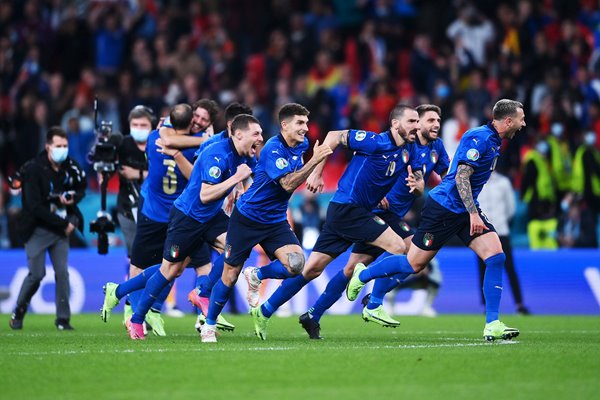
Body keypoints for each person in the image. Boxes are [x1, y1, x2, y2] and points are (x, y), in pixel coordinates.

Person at [346, 99, 526, 342]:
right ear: (508, 120)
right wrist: (473, 213)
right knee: (414, 265)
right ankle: (363, 275)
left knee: (496, 256)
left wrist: (471, 210)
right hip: (444, 208)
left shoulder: (494, 141)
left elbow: (451, 173)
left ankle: (492, 324)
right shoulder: (479, 138)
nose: (523, 124)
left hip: (463, 208)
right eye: (520, 119)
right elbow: (462, 176)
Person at [245, 104, 421, 340]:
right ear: (395, 124)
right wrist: (317, 173)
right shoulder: (374, 141)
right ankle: (367, 284)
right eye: (412, 121)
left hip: (351, 211)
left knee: (312, 269)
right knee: (399, 247)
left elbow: (379, 176)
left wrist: (391, 193)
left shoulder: (407, 151)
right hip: (349, 209)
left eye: (418, 122)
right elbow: (333, 136)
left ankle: (265, 310)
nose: (416, 126)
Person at [292, 104, 448, 339]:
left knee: (356, 267)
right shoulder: (406, 142)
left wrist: (422, 188)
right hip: (377, 210)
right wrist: (318, 171)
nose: (433, 125)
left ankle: (314, 314)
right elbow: (372, 163)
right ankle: (373, 300)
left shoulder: (436, 147)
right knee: (409, 252)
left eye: (437, 120)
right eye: (427, 120)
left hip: (390, 214)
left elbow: (435, 179)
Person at [102, 114, 263, 340]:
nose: (260, 138)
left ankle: (202, 292)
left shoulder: (247, 155)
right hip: (187, 217)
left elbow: (254, 180)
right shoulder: (216, 153)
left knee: (236, 248)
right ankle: (134, 316)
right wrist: (235, 179)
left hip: (210, 217)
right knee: (170, 271)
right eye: (256, 133)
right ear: (238, 134)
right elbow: (205, 194)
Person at [201, 103, 333, 343]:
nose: (305, 128)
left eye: (306, 122)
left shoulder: (302, 145)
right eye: (300, 123)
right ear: (284, 125)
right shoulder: (273, 148)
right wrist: (314, 162)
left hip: (274, 220)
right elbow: (287, 184)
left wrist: (317, 167)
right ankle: (208, 325)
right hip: (248, 218)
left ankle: (257, 274)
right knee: (229, 275)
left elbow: (319, 157)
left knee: (296, 264)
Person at [110, 103, 209, 336]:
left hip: (152, 211)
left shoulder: (156, 137)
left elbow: (166, 136)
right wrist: (203, 138)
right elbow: (193, 175)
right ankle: (152, 310)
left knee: (142, 263)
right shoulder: (197, 148)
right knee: (178, 265)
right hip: (180, 214)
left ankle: (135, 309)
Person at [9, 127, 86, 330]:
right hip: (36, 228)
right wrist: (65, 224)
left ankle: (63, 319)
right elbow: (34, 207)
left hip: (60, 231)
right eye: (58, 146)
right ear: (48, 147)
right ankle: (19, 309)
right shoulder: (33, 169)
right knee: (37, 274)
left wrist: (71, 199)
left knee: (62, 273)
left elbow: (81, 188)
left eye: (65, 146)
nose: (62, 150)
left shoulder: (70, 166)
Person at [477, 170, 530, 315]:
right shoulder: (475, 180)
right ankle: (486, 306)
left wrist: (499, 221)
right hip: (481, 232)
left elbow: (511, 208)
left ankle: (519, 304)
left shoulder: (503, 182)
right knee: (483, 269)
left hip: (501, 231)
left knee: (510, 268)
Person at [116, 105, 153, 259]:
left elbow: (167, 174)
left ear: (152, 126)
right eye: (135, 125)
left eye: (143, 125)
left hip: (155, 208)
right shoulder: (122, 144)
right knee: (133, 255)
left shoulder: (160, 145)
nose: (139, 128)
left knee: (157, 256)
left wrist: (137, 174)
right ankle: (132, 282)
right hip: (127, 207)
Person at [521, 139, 558, 249]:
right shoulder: (532, 160)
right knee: (535, 226)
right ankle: (536, 249)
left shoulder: (544, 160)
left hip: (545, 199)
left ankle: (548, 247)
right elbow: (527, 180)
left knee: (548, 225)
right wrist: (524, 195)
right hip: (536, 199)